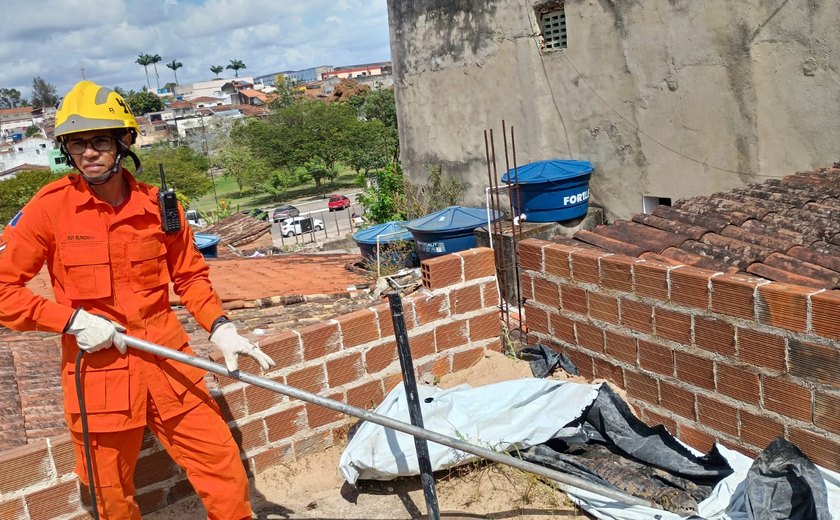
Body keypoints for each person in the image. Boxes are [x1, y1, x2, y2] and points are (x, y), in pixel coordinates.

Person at [0, 80, 275, 519]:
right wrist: (69, 321)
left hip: (167, 360)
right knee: (110, 497)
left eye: (98, 141)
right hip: (98, 372)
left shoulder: (158, 208)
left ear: (125, 140)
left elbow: (189, 276)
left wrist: (221, 327)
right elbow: (3, 290)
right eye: (75, 143)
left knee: (223, 470)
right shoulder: (49, 209)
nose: (87, 153)